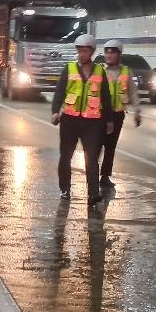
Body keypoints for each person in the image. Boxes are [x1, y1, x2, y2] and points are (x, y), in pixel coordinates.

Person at [51, 34, 114, 206]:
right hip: (70, 121)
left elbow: (106, 97)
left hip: (92, 122)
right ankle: (65, 189)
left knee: (91, 158)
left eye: (85, 51)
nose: (82, 54)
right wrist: (55, 111)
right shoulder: (69, 69)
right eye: (79, 51)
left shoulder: (100, 71)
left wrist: (109, 120)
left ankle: (93, 194)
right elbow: (59, 92)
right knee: (66, 157)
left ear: (92, 52)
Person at [99, 39, 141, 187]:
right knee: (96, 146)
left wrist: (137, 111)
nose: (108, 55)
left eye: (112, 53)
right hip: (100, 114)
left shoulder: (126, 72)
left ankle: (104, 176)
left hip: (117, 114)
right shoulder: (100, 71)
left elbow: (133, 93)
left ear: (119, 55)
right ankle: (92, 174)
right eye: (107, 52)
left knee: (110, 146)